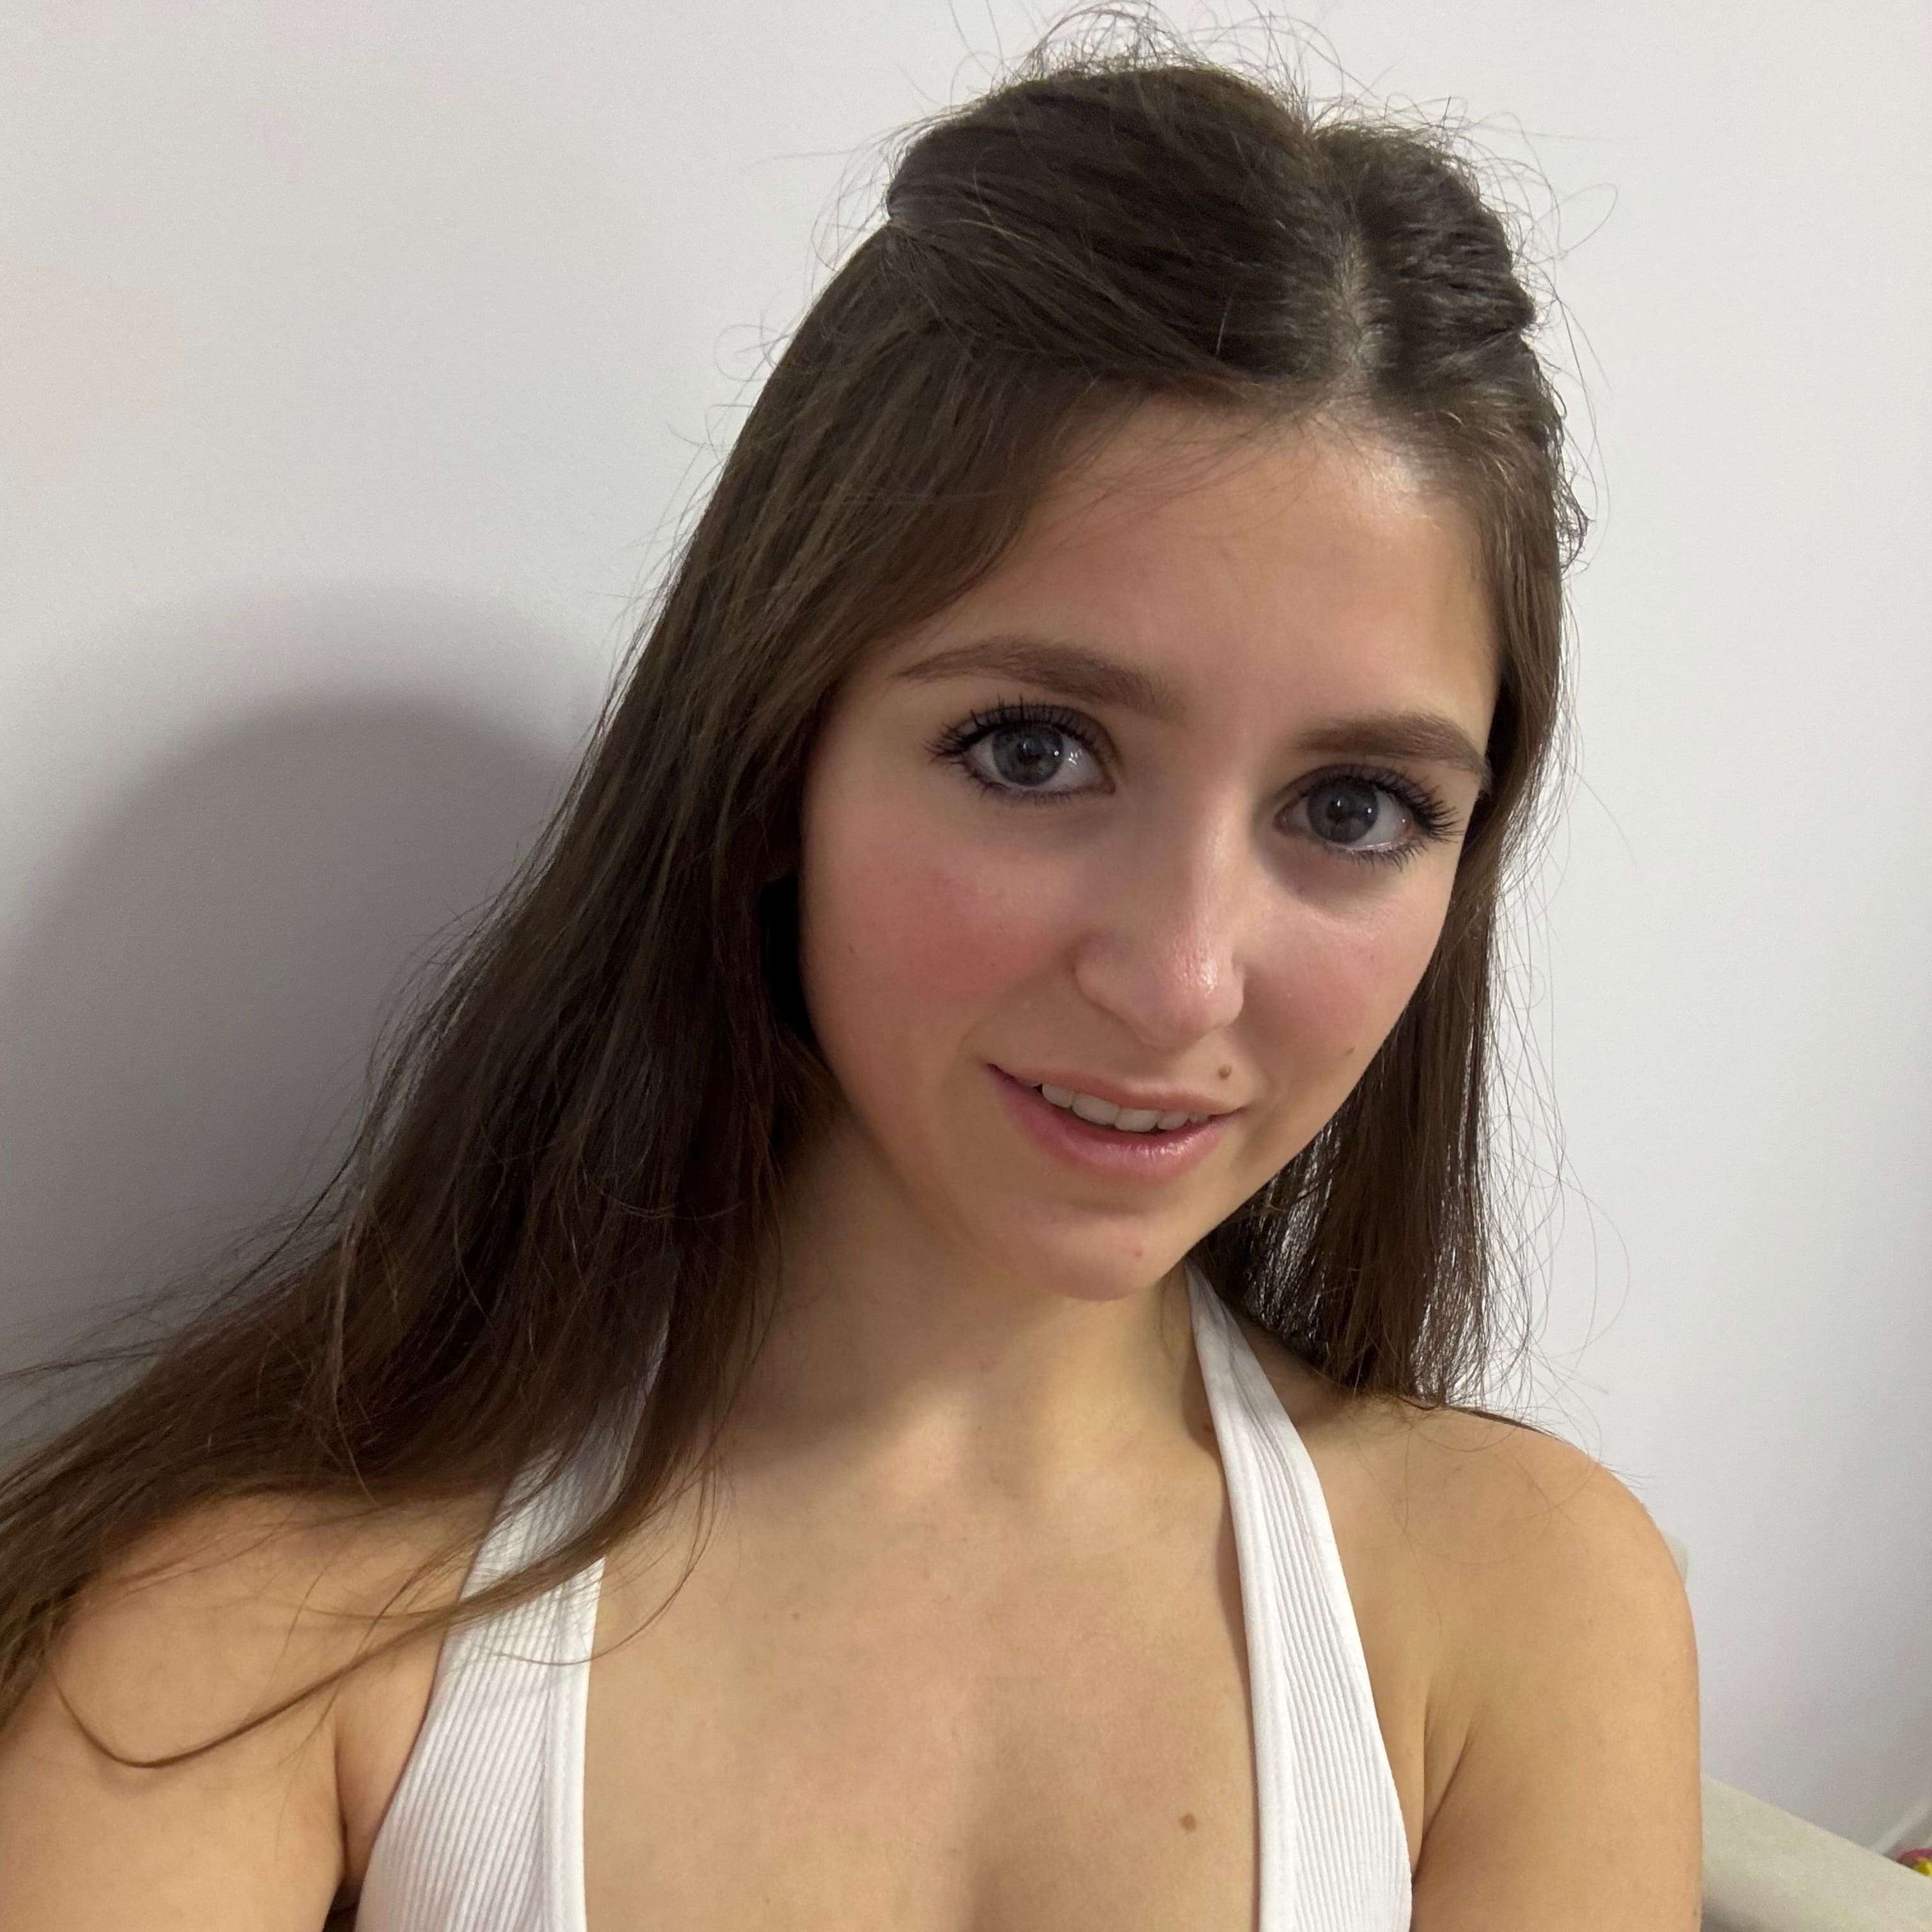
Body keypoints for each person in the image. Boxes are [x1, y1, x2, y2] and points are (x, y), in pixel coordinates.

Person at [0, 12, 1701, 1928]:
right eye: (1033, 751)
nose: (1181, 980)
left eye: (1356, 806)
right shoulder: (251, 1646)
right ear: (773, 759)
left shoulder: (1522, 1608)